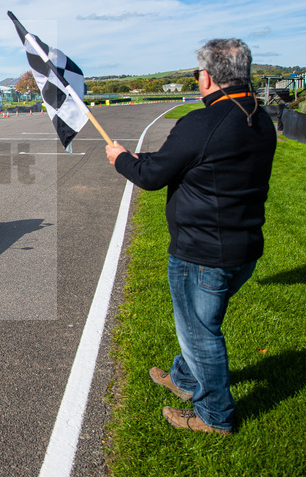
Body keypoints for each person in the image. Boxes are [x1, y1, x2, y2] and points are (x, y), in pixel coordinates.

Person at [105, 38, 276, 436]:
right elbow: (185, 163)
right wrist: (138, 159)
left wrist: (122, 160)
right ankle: (184, 379)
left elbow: (152, 175)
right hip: (243, 246)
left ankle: (215, 416)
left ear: (209, 77)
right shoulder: (257, 117)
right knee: (201, 323)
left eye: (199, 73)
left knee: (201, 335)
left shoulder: (203, 123)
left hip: (202, 253)